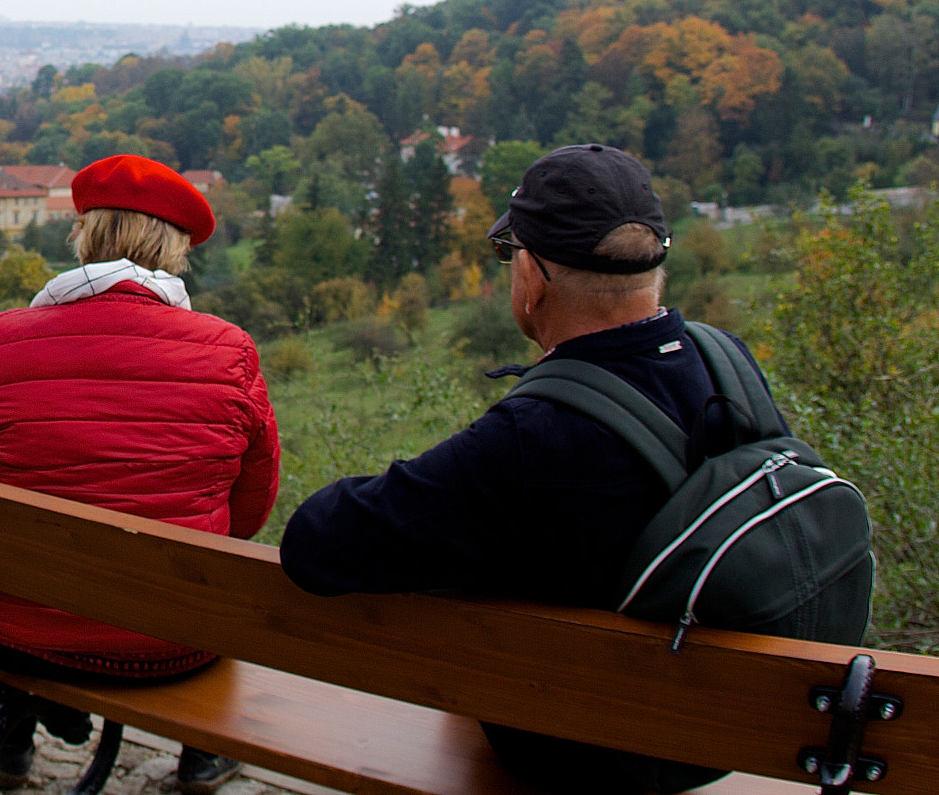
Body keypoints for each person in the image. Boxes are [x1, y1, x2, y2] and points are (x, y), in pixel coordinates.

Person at [279, 144, 774, 794]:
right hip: (719, 731)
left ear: (534, 275)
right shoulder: (726, 360)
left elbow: (315, 543)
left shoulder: (528, 438)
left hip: (579, 749)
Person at [0, 154, 280, 795]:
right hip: (174, 641)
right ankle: (201, 754)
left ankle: (15, 733)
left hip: (17, 633)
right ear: (177, 248)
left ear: (85, 236)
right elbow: (251, 507)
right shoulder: (230, 352)